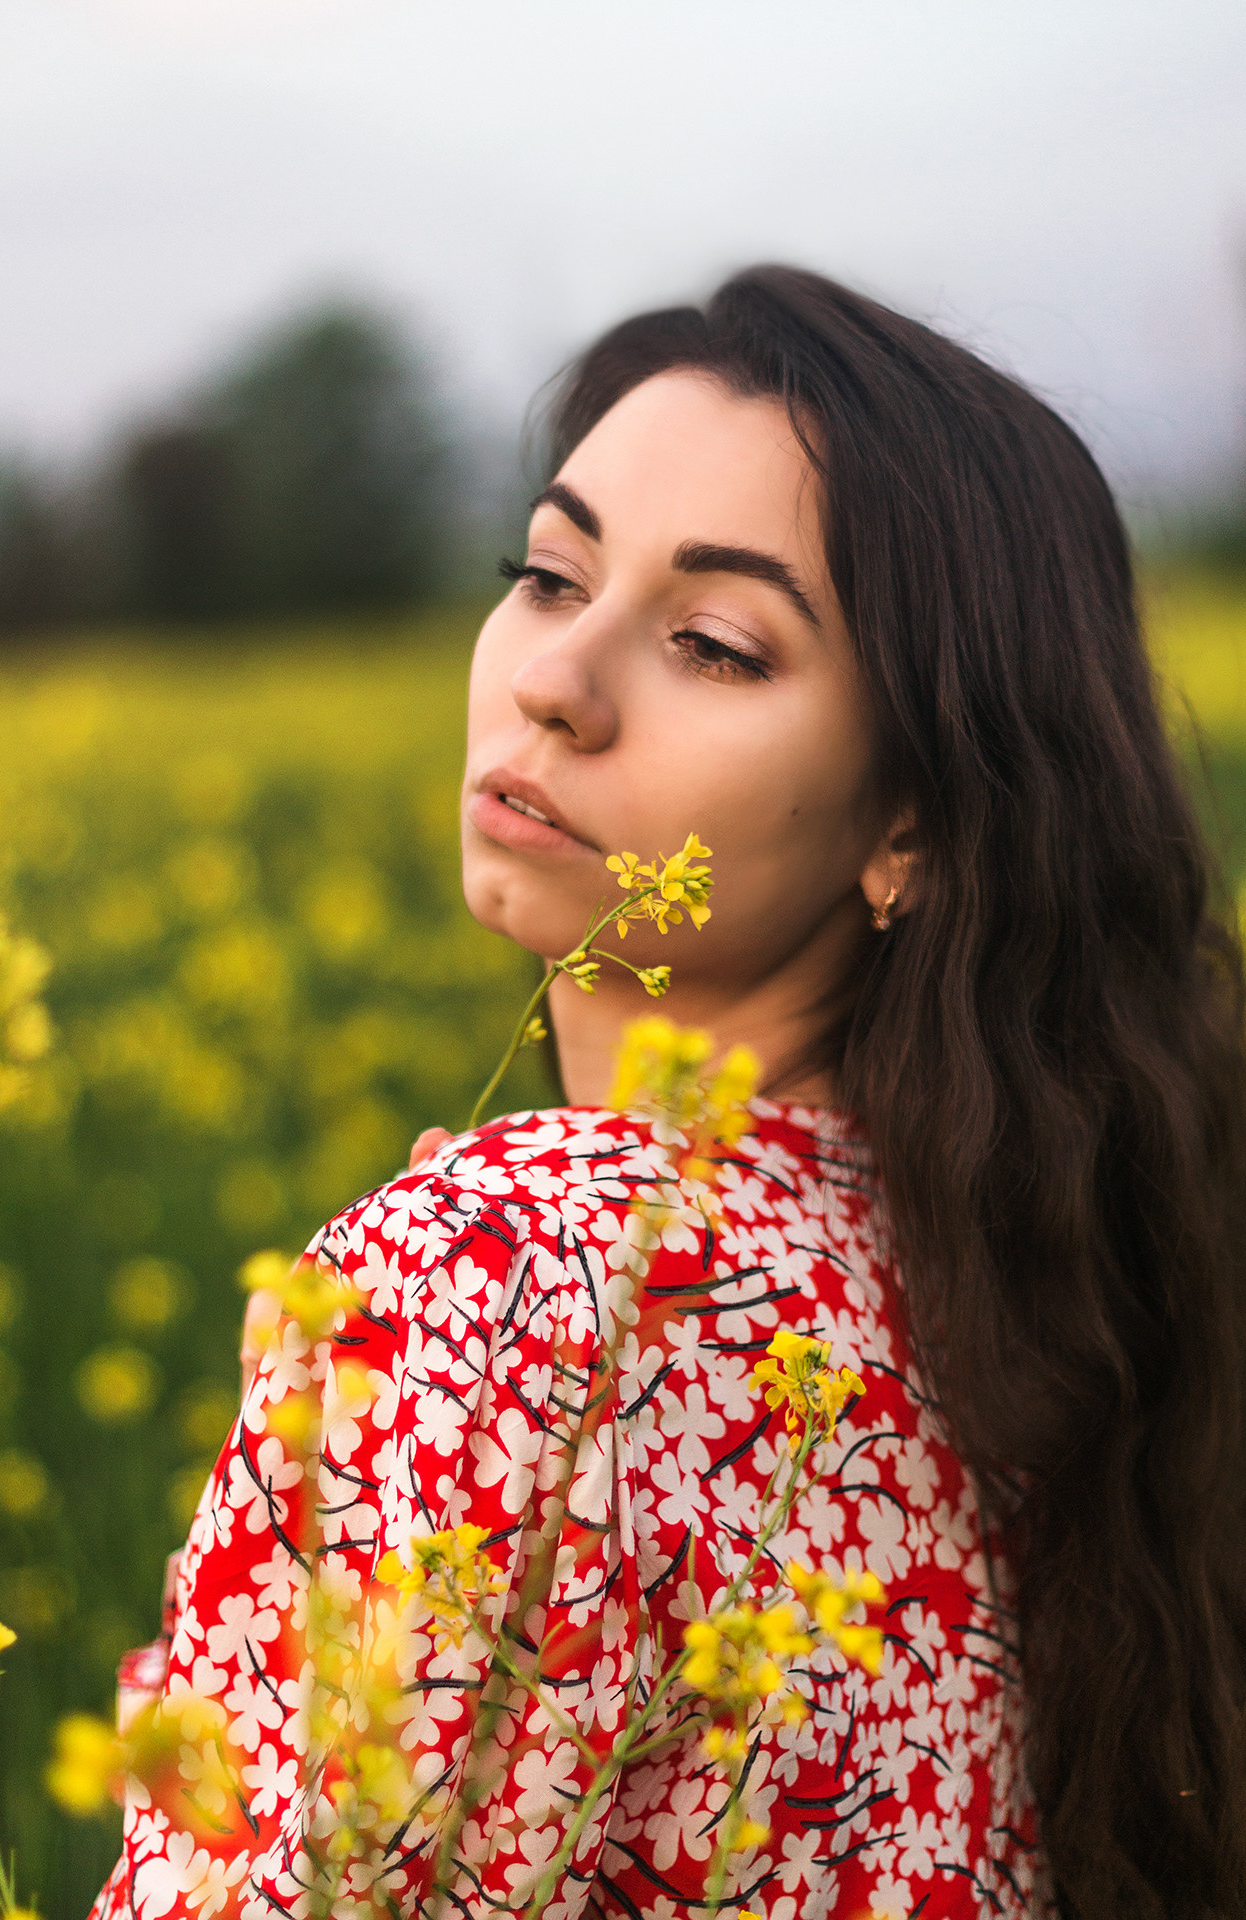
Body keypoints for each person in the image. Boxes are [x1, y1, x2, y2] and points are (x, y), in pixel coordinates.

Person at [92, 266, 1246, 1920]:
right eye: (549, 573)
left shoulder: (499, 1277)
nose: (558, 681)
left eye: (714, 641)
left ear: (906, 827)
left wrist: (444, 1309)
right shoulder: (1028, 1290)